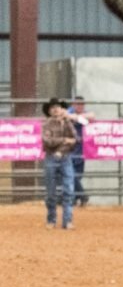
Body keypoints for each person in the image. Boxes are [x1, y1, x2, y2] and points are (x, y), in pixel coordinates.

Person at [41, 98, 77, 230]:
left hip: (64, 157)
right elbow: (47, 142)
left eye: (58, 107)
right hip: (52, 158)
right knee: (51, 192)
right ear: (49, 111)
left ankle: (67, 220)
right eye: (53, 107)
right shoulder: (46, 125)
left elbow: (75, 140)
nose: (56, 109)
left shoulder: (67, 123)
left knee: (68, 190)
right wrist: (65, 140)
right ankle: (52, 219)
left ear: (62, 109)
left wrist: (61, 151)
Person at [67, 96, 94, 207]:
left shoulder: (83, 113)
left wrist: (78, 118)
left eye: (82, 104)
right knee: (71, 175)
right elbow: (68, 116)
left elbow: (92, 116)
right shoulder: (69, 112)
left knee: (77, 176)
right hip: (69, 150)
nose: (80, 106)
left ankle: (75, 197)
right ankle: (81, 196)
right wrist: (82, 119)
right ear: (73, 105)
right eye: (77, 104)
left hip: (81, 151)